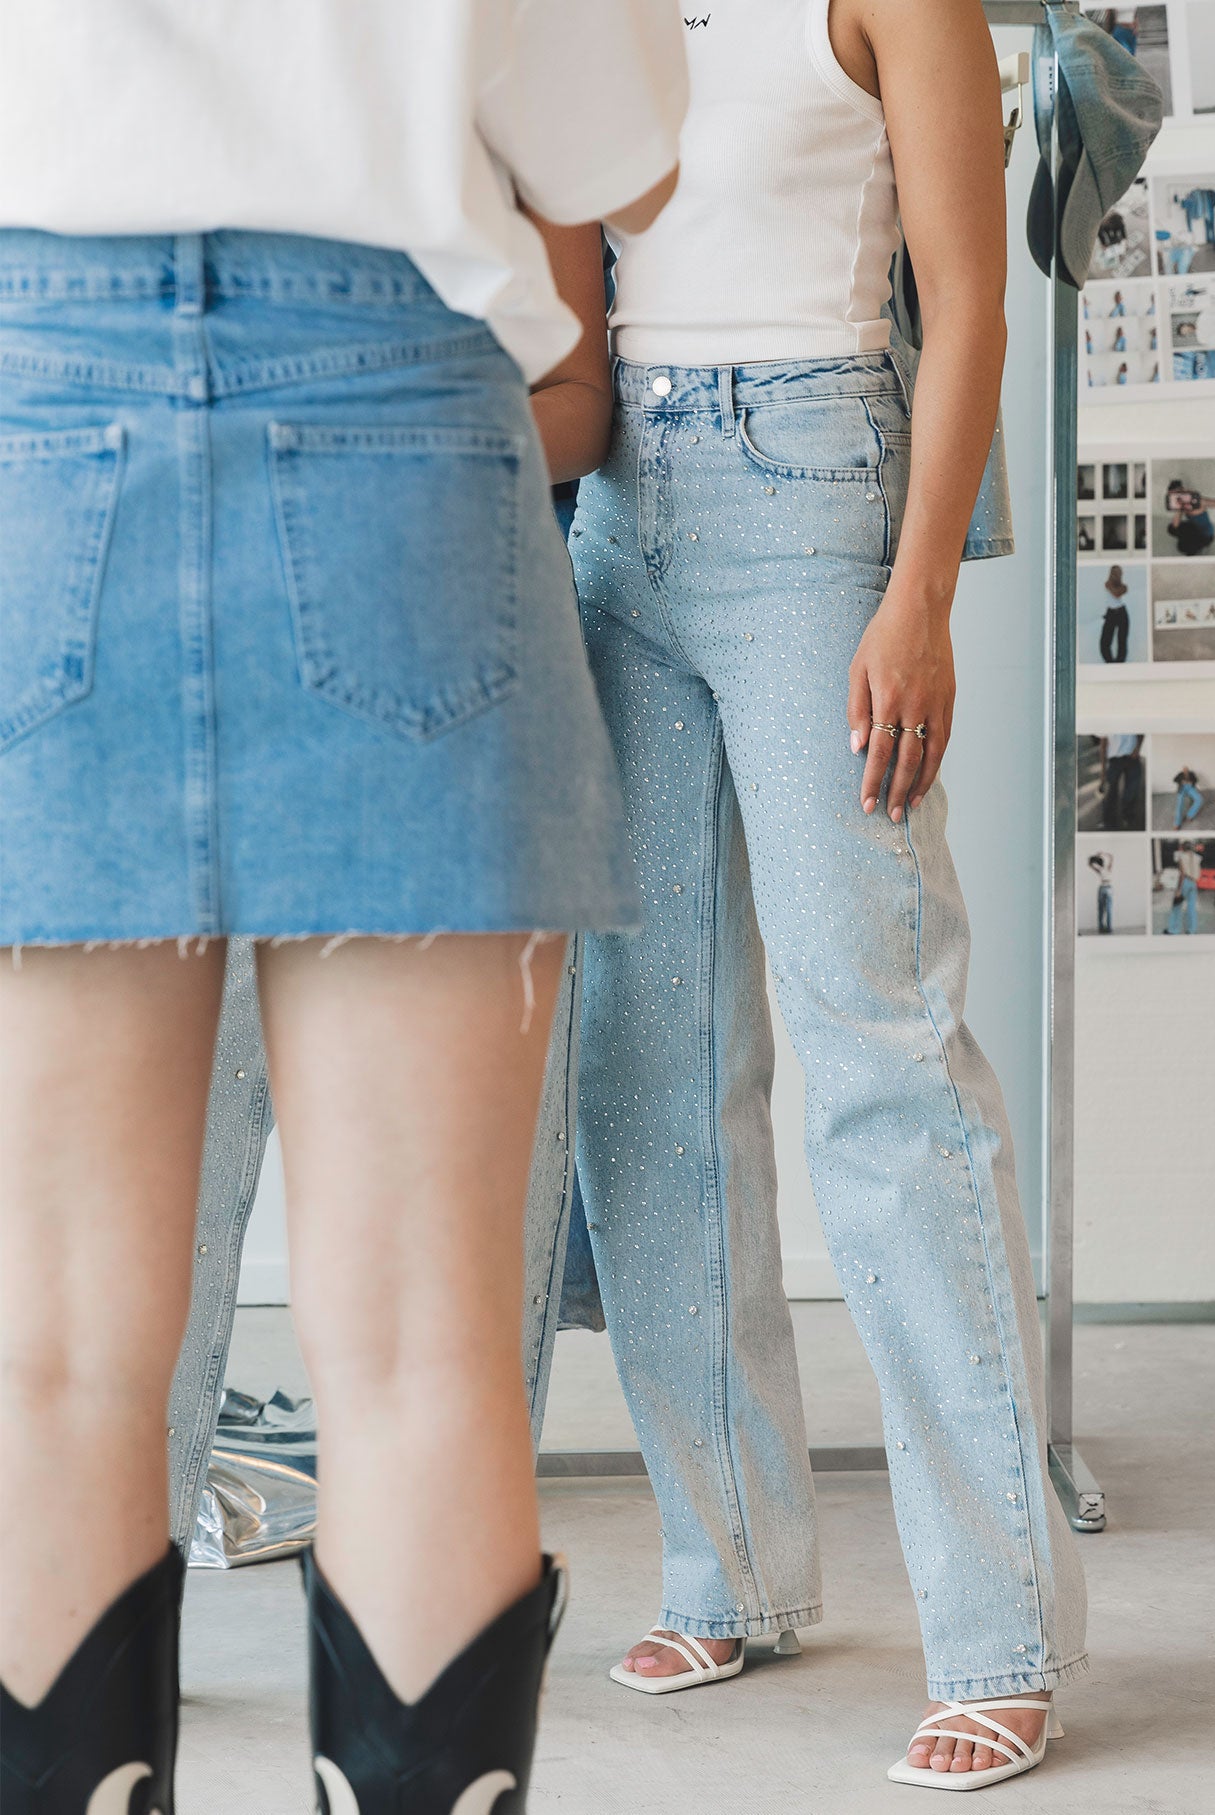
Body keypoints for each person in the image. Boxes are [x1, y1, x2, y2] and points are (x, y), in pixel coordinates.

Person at [0, 5, 685, 1807]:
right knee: (418, 1342)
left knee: (52, 1346)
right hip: (397, 420)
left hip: (31, 416)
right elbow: (625, 148)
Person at [564, 0, 1088, 1790]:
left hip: (817, 498)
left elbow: (969, 299)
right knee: (645, 1077)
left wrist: (919, 594)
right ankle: (735, 1570)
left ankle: (1000, 1636)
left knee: (884, 1067)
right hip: (614, 512)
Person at [1101, 734, 1145, 829]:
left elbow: (1141, 732)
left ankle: (1128, 818)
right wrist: (1103, 771)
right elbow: (1103, 743)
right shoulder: (1106, 720)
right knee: (1110, 793)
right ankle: (1109, 822)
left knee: (1131, 791)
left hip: (1132, 757)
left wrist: (1137, 749)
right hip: (1114, 759)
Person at [1165, 480, 1215, 555]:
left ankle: (1194, 547)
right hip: (1195, 528)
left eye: (1178, 493)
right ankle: (1192, 543)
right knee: (1171, 529)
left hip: (1206, 535)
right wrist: (1178, 507)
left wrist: (1201, 500)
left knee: (1185, 546)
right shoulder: (1182, 503)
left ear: (1182, 491)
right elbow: (1175, 526)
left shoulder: (1194, 500)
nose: (1177, 497)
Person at [1165, 842, 1202, 935]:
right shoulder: (1198, 858)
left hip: (1185, 881)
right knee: (1191, 907)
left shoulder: (1181, 857)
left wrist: (1178, 889)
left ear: (1183, 848)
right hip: (1193, 882)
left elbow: (1181, 874)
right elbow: (1199, 871)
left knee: (1177, 906)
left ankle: (1173, 930)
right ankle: (1191, 930)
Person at [1100, 565, 1131, 663]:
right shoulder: (1108, 584)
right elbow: (1115, 593)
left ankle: (1120, 663)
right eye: (1114, 573)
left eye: (1118, 573)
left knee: (1122, 640)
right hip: (1110, 613)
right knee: (1105, 641)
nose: (1116, 575)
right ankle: (1110, 663)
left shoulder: (1122, 587)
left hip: (1122, 612)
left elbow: (1117, 593)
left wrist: (1114, 586)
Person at [1090, 851, 1116, 934]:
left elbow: (1090, 864)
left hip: (1102, 888)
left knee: (1101, 909)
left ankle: (1102, 928)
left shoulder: (1100, 869)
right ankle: (1108, 928)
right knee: (1108, 909)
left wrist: (1098, 855)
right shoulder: (1106, 869)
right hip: (1108, 888)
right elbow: (1111, 857)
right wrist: (1103, 854)